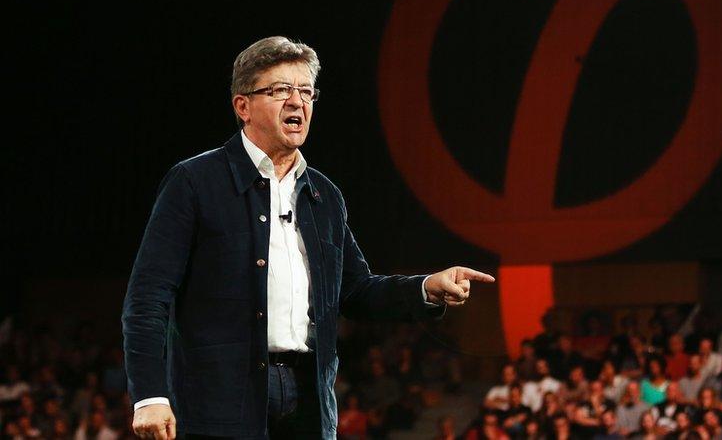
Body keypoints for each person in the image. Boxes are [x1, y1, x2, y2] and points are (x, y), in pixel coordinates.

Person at [121, 36, 495, 439]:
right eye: (280, 90)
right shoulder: (194, 182)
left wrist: (426, 288)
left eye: (305, 91)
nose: (297, 101)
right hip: (219, 403)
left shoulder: (324, 195)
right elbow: (148, 297)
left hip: (308, 403)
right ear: (242, 106)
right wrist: (149, 395)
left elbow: (354, 290)